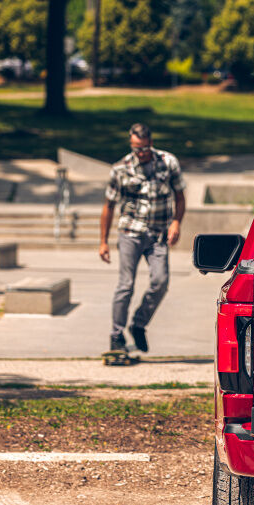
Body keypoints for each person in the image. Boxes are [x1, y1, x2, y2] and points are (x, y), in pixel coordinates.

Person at [100, 123, 185, 353]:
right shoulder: (120, 169)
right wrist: (103, 241)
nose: (141, 153)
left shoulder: (168, 162)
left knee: (160, 282)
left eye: (144, 148)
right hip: (130, 232)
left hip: (158, 234)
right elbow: (108, 206)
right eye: (136, 148)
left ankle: (138, 324)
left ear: (151, 141)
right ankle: (116, 336)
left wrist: (176, 222)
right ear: (131, 143)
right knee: (126, 285)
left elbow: (179, 195)